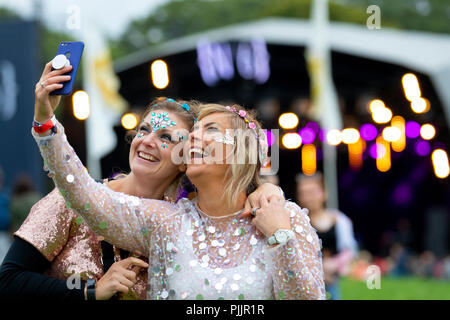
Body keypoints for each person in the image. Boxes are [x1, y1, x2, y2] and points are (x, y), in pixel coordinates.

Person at [31, 66, 325, 299]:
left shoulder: (287, 220)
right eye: (194, 130)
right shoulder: (166, 222)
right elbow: (82, 193)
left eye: (209, 129)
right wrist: (46, 122)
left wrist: (280, 238)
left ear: (241, 151)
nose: (194, 136)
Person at [296, 172, 357, 300]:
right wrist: (317, 269)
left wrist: (333, 265)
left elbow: (349, 250)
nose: (308, 198)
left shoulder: (338, 220)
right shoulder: (297, 223)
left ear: (323, 193)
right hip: (306, 282)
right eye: (303, 193)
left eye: (312, 192)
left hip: (334, 280)